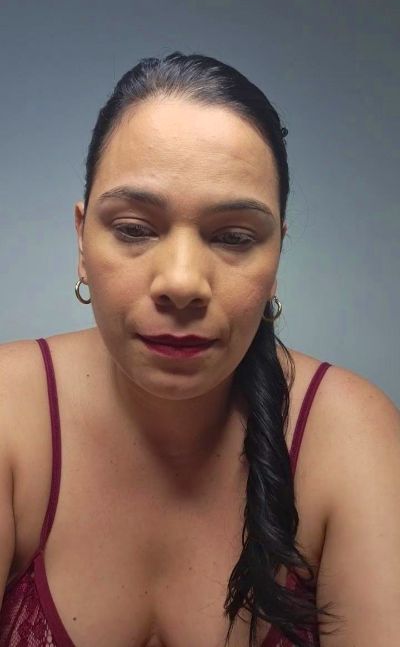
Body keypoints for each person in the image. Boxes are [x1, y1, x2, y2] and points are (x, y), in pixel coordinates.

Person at [0, 52, 399, 647]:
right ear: (82, 241)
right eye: (134, 229)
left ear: (277, 257)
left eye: (234, 236)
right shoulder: (9, 413)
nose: (183, 282)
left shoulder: (349, 434)